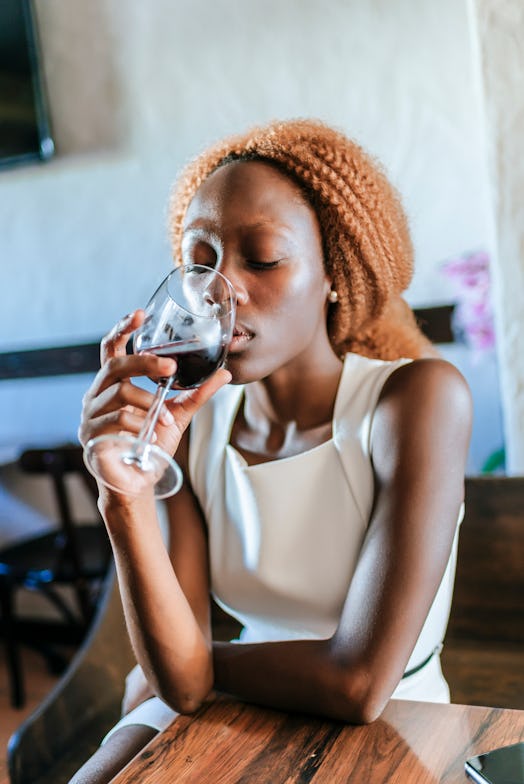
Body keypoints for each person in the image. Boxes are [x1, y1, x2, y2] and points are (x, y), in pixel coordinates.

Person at [71, 118, 472, 783]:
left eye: (263, 258)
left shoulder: (418, 398)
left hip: (396, 722)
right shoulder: (196, 423)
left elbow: (359, 684)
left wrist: (195, 667)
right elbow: (177, 671)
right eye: (201, 264)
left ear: (333, 274)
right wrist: (125, 496)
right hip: (224, 698)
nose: (218, 291)